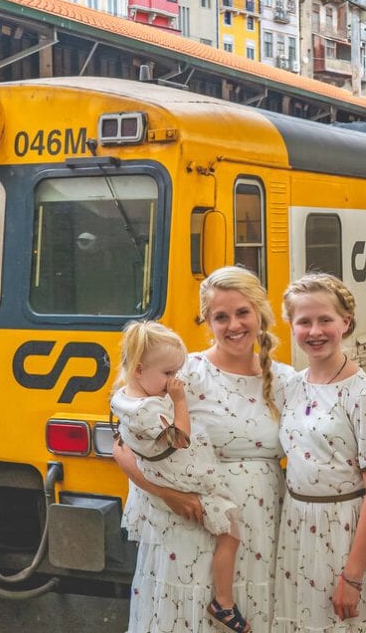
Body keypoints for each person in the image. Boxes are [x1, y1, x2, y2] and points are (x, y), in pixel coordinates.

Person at [113, 265, 294, 633]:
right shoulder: (184, 374)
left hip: (262, 528)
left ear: (260, 312)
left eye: (242, 312)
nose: (234, 325)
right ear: (207, 321)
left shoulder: (285, 380)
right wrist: (169, 495)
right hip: (193, 527)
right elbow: (123, 446)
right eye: (220, 317)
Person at [274, 273, 366, 632]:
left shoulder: (364, 395)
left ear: (345, 322)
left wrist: (353, 576)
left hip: (344, 534)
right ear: (292, 326)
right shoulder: (291, 387)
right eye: (304, 322)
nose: (315, 331)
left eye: (325, 320)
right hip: (296, 532)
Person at [110, 321, 247, 632]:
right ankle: (223, 603)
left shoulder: (125, 398)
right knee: (231, 533)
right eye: (169, 374)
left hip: (169, 485)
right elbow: (180, 439)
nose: (175, 381)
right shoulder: (146, 410)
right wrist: (180, 401)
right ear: (139, 370)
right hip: (187, 484)